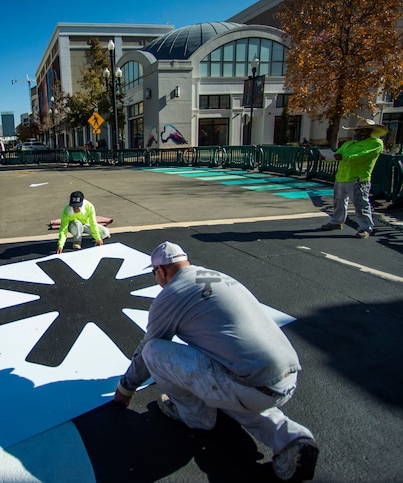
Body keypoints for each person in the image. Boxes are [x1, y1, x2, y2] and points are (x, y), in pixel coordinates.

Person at [113, 241, 319, 482]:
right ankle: (294, 440)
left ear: (161, 270)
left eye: (154, 273)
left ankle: (196, 416)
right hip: (284, 378)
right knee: (236, 393)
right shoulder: (218, 277)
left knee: (153, 351)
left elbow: (146, 348)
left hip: (248, 382)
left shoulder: (172, 294)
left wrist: (126, 386)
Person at [319, 118, 388, 238]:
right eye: (357, 131)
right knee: (338, 202)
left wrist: (341, 157)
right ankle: (336, 222)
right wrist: (326, 157)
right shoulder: (349, 143)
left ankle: (365, 228)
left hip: (358, 178)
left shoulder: (376, 143)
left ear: (370, 131)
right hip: (342, 176)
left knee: (361, 204)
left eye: (362, 131)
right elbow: (337, 155)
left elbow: (361, 157)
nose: (358, 133)